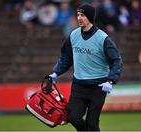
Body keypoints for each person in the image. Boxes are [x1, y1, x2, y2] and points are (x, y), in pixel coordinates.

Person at [49, 3, 123, 131]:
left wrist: (111, 80)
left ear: (89, 17)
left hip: (98, 87)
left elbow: (116, 60)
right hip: (78, 86)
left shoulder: (103, 38)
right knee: (73, 117)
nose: (79, 18)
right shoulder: (73, 35)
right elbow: (66, 57)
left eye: (82, 15)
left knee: (92, 124)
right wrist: (55, 72)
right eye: (77, 15)